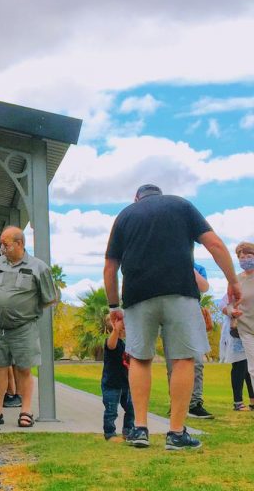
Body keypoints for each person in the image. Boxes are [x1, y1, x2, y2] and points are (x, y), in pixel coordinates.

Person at [104, 184, 241, 450]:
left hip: (137, 295)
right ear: (160, 194)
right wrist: (233, 281)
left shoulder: (125, 215)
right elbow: (214, 243)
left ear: (137, 198)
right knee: (182, 359)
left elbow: (110, 267)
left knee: (139, 359)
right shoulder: (181, 205)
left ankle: (140, 429)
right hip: (180, 292)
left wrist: (113, 307)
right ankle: (176, 433)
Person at [0, 226, 57, 428]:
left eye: (6, 244)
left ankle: (26, 411)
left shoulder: (39, 267)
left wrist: (26, 310)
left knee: (24, 369)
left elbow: (49, 298)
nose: (2, 248)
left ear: (20, 243)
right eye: (1, 244)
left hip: (24, 327)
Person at [163, 264, 214, 419]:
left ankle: (194, 404)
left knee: (197, 362)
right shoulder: (161, 261)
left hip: (192, 314)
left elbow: (202, 287)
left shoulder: (198, 268)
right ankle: (176, 403)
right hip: (169, 314)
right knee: (174, 363)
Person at [218, 289, 254, 411]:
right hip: (237, 335)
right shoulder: (237, 290)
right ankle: (238, 402)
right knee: (240, 367)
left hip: (250, 332)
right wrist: (233, 312)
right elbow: (222, 305)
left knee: (250, 369)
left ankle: (252, 400)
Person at [102, 317, 135, 440]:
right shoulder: (111, 343)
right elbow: (111, 345)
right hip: (111, 384)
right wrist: (116, 330)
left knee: (131, 409)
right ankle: (110, 433)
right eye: (124, 326)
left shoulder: (124, 344)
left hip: (125, 384)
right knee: (111, 411)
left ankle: (128, 431)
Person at [231, 241, 254, 397]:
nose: (244, 259)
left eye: (248, 256)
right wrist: (231, 310)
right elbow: (229, 303)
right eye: (241, 257)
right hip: (246, 328)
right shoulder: (236, 280)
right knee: (252, 368)